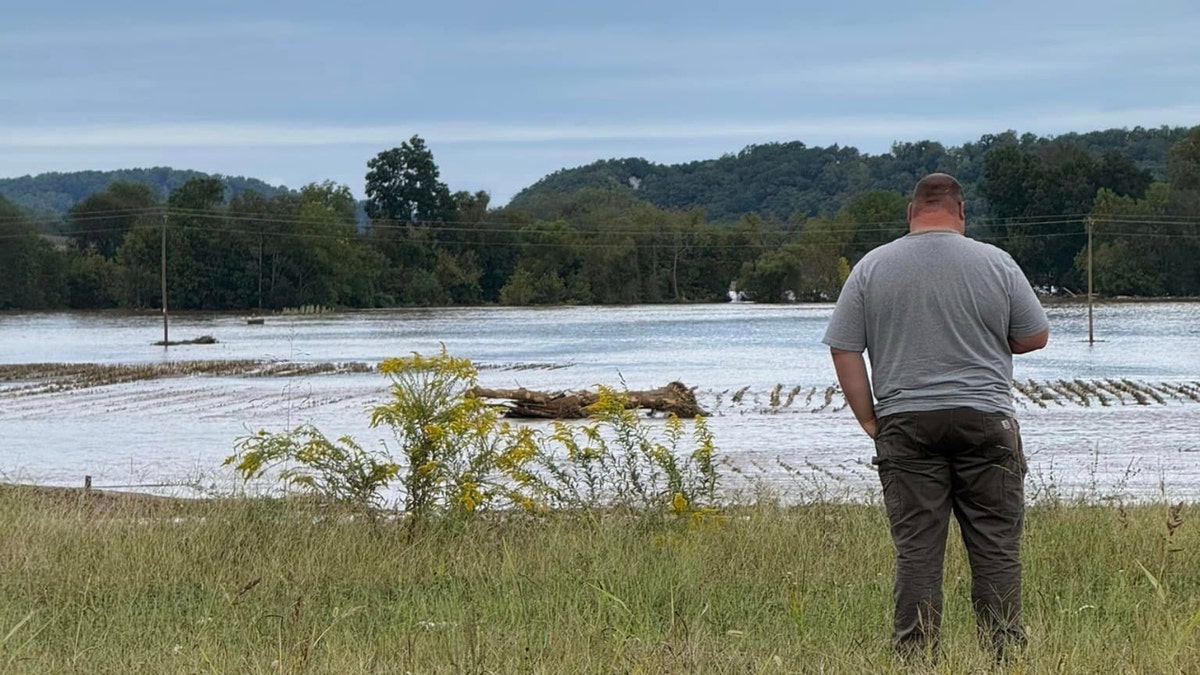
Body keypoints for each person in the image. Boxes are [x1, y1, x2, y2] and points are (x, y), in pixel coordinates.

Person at [822, 173, 1049, 659]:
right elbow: (1034, 337)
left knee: (918, 552)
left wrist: (869, 420)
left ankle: (917, 659)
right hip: (986, 420)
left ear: (911, 212)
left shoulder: (871, 267)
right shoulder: (997, 264)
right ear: (962, 213)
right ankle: (1005, 657)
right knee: (995, 547)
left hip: (905, 423)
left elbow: (844, 347)